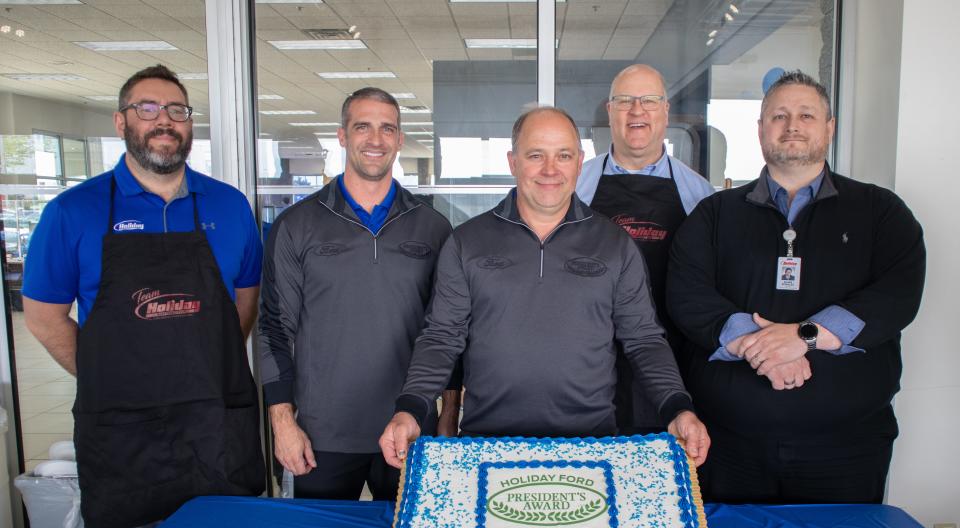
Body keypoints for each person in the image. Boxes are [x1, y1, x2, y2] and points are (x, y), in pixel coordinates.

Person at [22, 64, 265, 528]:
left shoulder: (229, 206)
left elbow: (245, 304)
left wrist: (203, 366)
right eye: (147, 109)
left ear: (189, 124)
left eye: (177, 110)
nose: (164, 121)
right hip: (126, 430)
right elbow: (44, 317)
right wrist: (103, 376)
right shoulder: (73, 212)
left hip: (214, 422)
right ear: (121, 122)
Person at [380, 106, 710, 469]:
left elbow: (645, 339)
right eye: (536, 155)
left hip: (591, 447)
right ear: (513, 162)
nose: (551, 170)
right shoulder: (467, 242)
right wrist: (410, 408)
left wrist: (679, 407)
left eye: (563, 156)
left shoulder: (615, 245)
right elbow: (442, 338)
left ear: (579, 162)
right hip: (488, 445)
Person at [667, 70, 926, 504]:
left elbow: (896, 293)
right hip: (727, 446)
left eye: (806, 115)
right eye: (778, 115)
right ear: (760, 130)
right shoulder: (714, 214)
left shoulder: (880, 211)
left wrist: (803, 337)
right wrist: (760, 343)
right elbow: (686, 293)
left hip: (848, 451)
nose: (792, 126)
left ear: (829, 128)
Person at [259, 87, 460, 501]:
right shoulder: (297, 224)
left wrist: (449, 417)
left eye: (387, 128)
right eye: (363, 126)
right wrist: (282, 422)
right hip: (322, 433)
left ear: (400, 139)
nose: (376, 139)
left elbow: (449, 331)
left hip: (409, 426)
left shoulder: (433, 228)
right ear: (342, 135)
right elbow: (274, 328)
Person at [576, 64, 715, 435]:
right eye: (625, 101)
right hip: (588, 363)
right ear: (610, 111)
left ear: (665, 111)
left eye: (649, 100)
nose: (637, 111)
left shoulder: (700, 196)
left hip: (670, 364)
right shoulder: (575, 186)